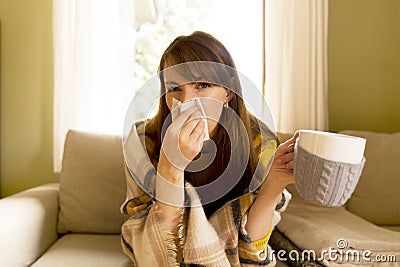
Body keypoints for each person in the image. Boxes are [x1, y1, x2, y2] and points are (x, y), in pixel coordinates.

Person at [120, 31, 298, 267]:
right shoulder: (142, 141)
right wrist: (171, 167)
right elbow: (158, 253)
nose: (186, 101)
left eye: (202, 85)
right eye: (174, 88)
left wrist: (275, 184)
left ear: (228, 91)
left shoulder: (260, 142)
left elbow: (251, 252)